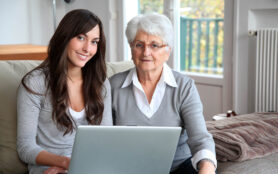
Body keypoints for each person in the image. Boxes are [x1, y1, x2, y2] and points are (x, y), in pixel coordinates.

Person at [109, 13, 217, 174]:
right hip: (130, 168)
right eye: (139, 45)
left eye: (154, 45)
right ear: (131, 48)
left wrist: (207, 167)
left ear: (167, 51)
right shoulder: (112, 86)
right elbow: (104, 139)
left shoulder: (184, 86)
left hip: (178, 167)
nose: (146, 52)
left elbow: (200, 138)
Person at [17, 9, 112, 174]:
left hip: (88, 169)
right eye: (81, 38)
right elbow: (25, 147)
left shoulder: (101, 84)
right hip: (49, 169)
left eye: (94, 42)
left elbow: (106, 140)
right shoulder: (36, 83)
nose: (87, 49)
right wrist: (65, 163)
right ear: (65, 37)